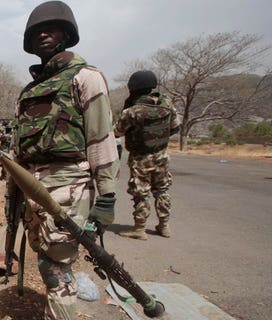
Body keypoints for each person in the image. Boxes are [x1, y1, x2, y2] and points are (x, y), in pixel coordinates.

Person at [10, 2, 119, 319]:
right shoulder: (30, 90)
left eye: (52, 28)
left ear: (67, 34)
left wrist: (107, 195)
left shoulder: (86, 78)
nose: (43, 34)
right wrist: (16, 196)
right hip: (34, 189)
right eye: (36, 32)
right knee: (46, 259)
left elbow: (101, 138)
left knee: (57, 264)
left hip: (69, 186)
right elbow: (20, 151)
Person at [114, 70, 180, 240]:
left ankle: (139, 229)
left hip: (140, 158)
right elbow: (175, 127)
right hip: (162, 156)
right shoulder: (168, 105)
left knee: (141, 193)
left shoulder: (133, 111)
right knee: (162, 190)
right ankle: (164, 226)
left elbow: (117, 132)